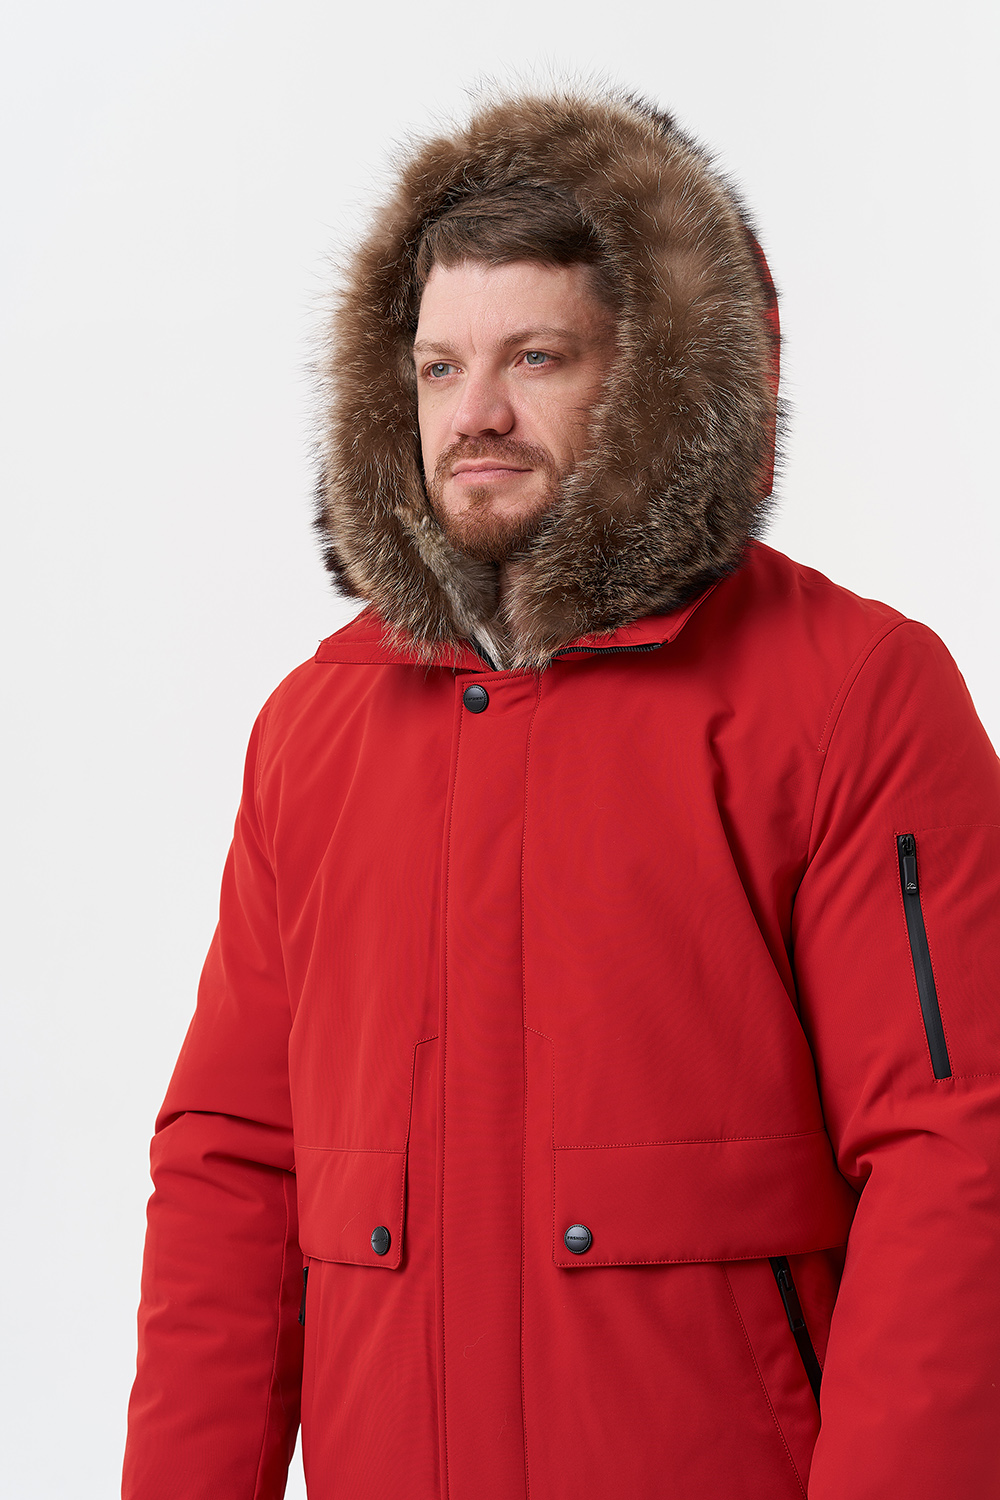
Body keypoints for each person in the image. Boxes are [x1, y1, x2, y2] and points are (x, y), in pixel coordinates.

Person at [122, 88, 1000, 1500]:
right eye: (438, 366)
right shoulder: (315, 730)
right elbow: (236, 1168)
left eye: (535, 357)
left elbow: (955, 1156)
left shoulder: (850, 693)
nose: (475, 413)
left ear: (653, 382)